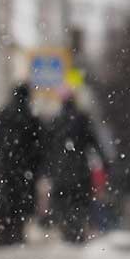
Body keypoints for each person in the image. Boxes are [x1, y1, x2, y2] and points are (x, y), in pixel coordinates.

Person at [0, 83, 45, 247]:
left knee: (4, 208)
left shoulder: (2, 116)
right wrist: (37, 170)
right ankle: (16, 237)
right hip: (24, 173)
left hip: (4, 171)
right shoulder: (32, 118)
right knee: (20, 212)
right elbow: (39, 149)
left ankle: (2, 238)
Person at [47, 92, 108, 244]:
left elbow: (47, 149)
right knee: (80, 204)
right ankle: (77, 231)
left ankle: (67, 230)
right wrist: (105, 163)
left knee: (64, 204)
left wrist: (48, 170)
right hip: (80, 171)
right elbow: (94, 143)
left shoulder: (55, 122)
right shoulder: (82, 120)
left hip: (61, 173)